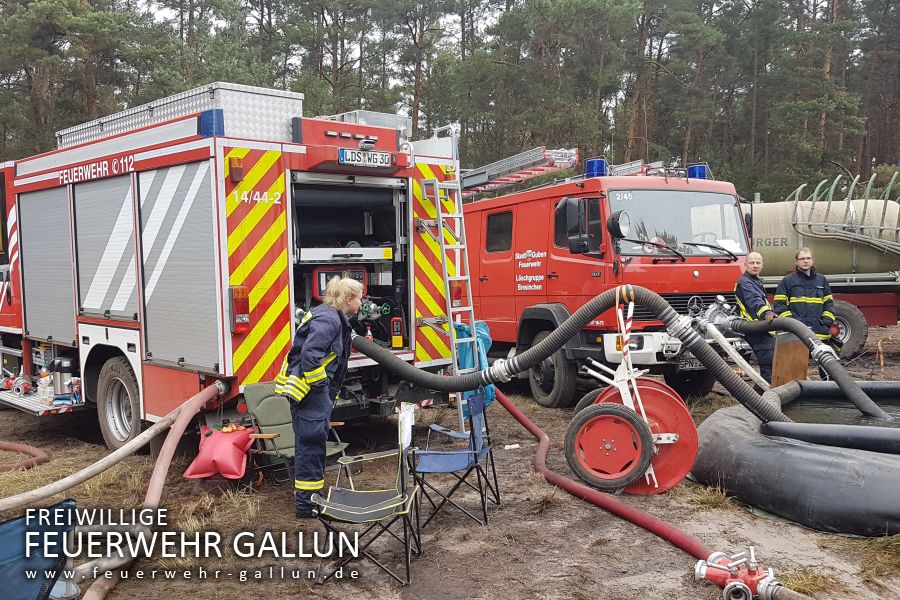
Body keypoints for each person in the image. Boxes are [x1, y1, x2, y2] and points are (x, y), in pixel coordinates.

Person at [274, 277, 363, 518]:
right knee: (311, 447)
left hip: (310, 394)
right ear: (347, 299)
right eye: (359, 298)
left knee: (311, 446)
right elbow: (310, 357)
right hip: (311, 394)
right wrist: (322, 386)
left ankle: (310, 500)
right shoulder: (329, 320)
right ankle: (307, 506)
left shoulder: (329, 315)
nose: (361, 303)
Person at [773, 247, 840, 354]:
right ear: (796, 261)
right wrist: (793, 325)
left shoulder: (822, 280)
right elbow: (779, 307)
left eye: (808, 258)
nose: (805, 261)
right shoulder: (787, 281)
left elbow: (829, 305)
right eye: (802, 258)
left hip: (819, 332)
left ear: (813, 260)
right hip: (796, 334)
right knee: (796, 367)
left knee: (827, 365)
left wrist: (825, 323)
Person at [734, 251, 776, 383]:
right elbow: (754, 301)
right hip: (755, 329)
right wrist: (766, 313)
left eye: (758, 263)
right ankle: (762, 398)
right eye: (752, 263)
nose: (755, 265)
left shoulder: (755, 281)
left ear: (762, 265)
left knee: (772, 365)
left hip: (762, 329)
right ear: (745, 264)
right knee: (768, 368)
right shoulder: (745, 283)